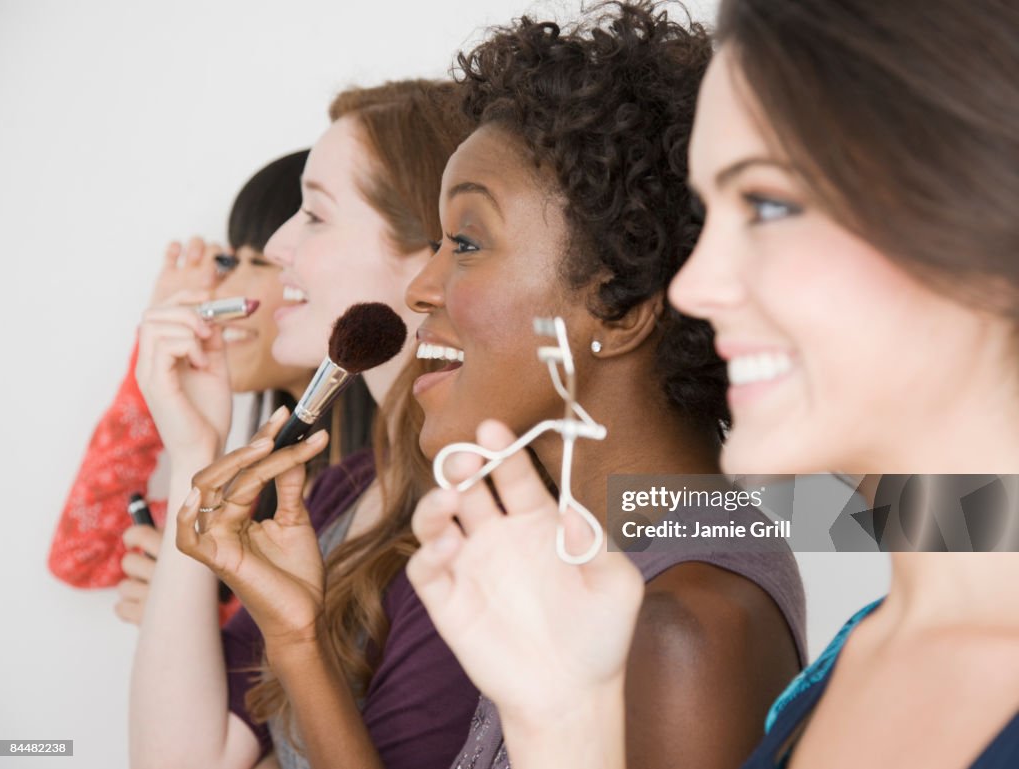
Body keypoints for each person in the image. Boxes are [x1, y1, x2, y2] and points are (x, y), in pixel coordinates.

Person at [408, 0, 1019, 767]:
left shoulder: (714, 598)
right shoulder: (857, 655)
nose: (691, 283)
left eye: (768, 203)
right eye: (710, 212)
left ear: (973, 219)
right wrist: (562, 722)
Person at [404, 4, 805, 768]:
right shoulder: (596, 570)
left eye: (465, 241)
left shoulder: (682, 625)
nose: (421, 287)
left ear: (620, 307)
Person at [130, 80, 480, 769]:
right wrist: (196, 443)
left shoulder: (470, 527)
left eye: (314, 215)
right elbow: (181, 759)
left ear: (430, 251)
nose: (280, 248)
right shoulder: (342, 490)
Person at [48, 150, 374, 626]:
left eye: (257, 262)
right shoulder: (247, 494)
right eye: (227, 260)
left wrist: (200, 620)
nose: (222, 292)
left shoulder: (382, 494)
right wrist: (157, 369)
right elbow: (82, 552)